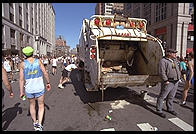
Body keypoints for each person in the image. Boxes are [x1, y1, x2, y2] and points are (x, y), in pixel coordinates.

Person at [19, 46, 51, 131]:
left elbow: (21, 79)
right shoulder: (38, 61)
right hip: (39, 87)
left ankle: (35, 122)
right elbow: (45, 73)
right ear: (32, 53)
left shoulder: (22, 64)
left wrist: (21, 92)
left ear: (24, 54)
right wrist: (48, 82)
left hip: (29, 88)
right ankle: (40, 124)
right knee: (41, 105)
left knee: (32, 105)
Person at [156, 49, 181, 118]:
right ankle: (159, 110)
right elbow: (161, 72)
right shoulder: (163, 61)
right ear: (169, 53)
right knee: (162, 96)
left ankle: (170, 108)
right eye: (174, 53)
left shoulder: (174, 60)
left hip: (175, 81)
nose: (175, 54)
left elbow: (178, 69)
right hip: (168, 81)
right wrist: (165, 80)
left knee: (171, 96)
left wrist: (179, 77)